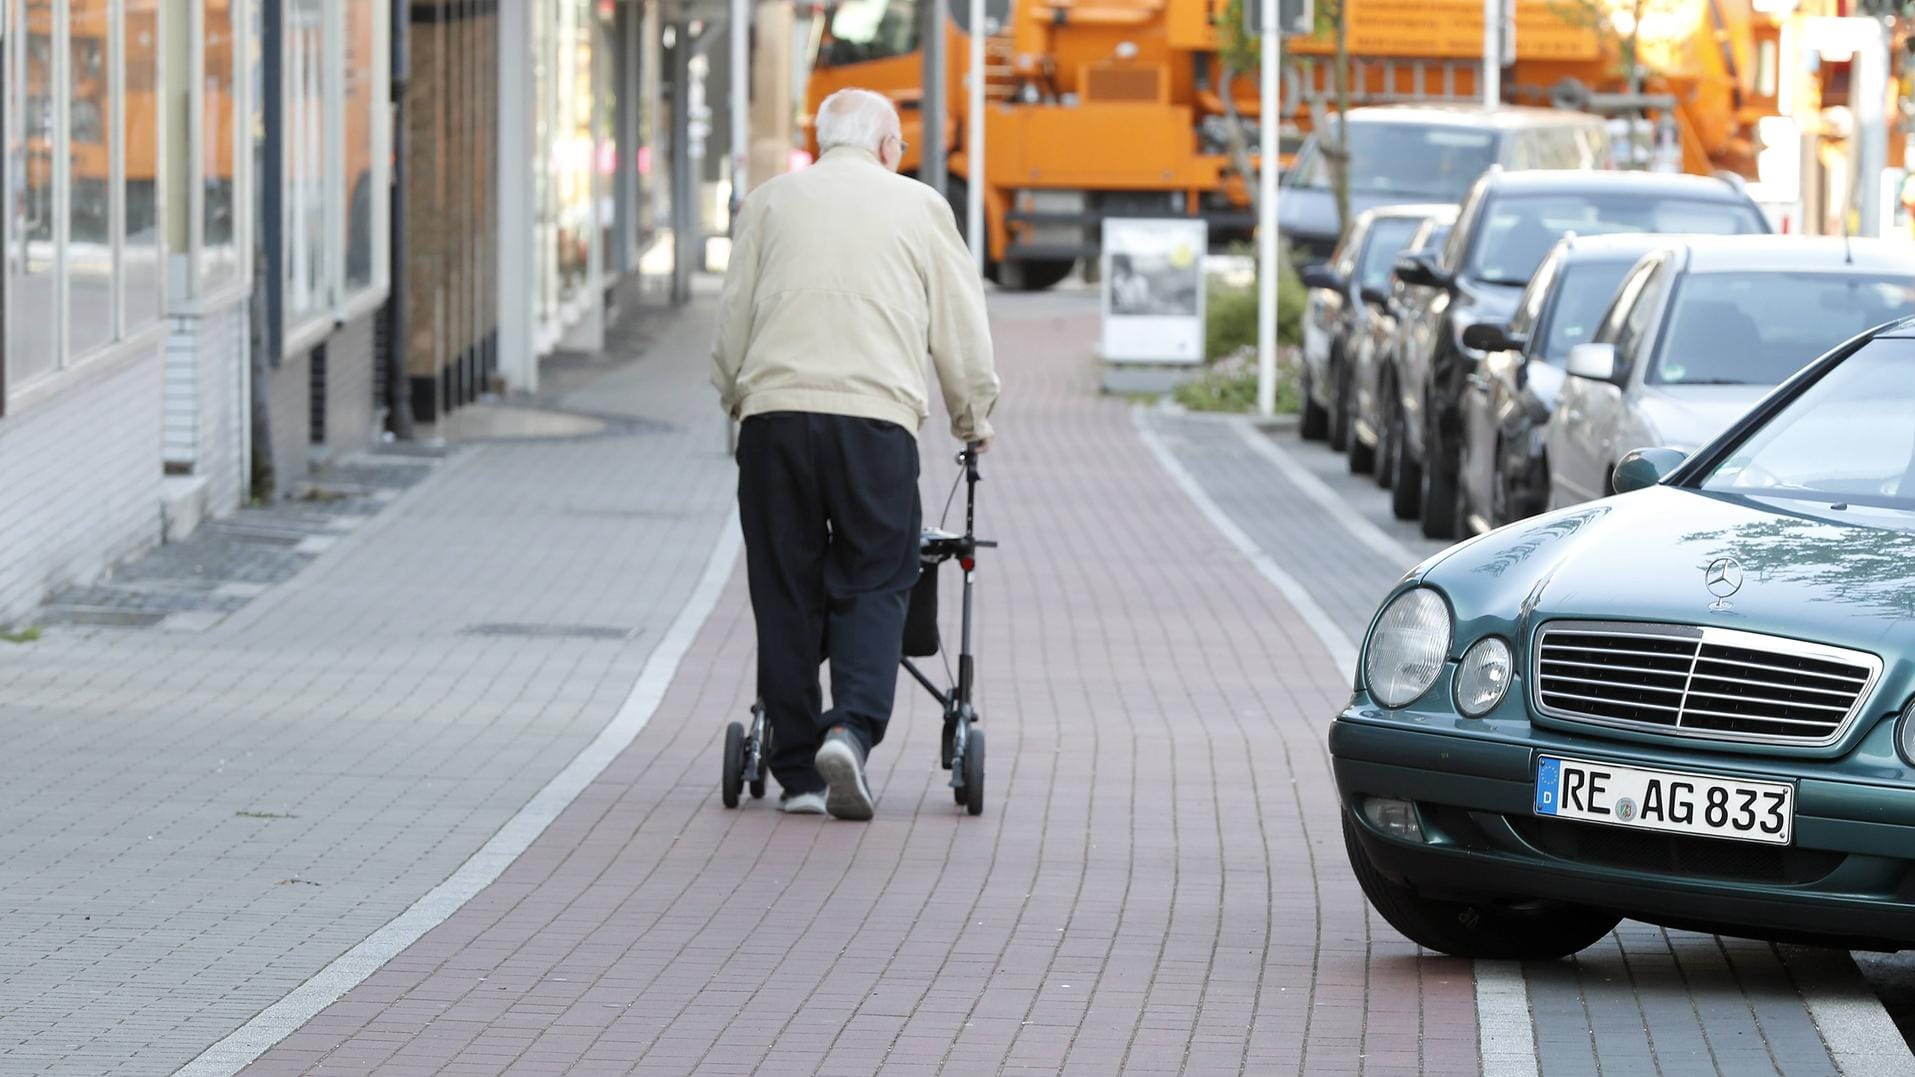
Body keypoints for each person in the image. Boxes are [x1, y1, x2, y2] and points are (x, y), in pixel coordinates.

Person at [711, 88, 1000, 821]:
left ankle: (798, 774)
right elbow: (959, 327)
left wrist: (737, 405)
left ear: (822, 140)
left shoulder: (769, 204)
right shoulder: (920, 206)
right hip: (873, 421)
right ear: (884, 147)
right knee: (877, 574)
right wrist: (973, 416)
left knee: (783, 587)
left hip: (775, 418)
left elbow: (730, 330)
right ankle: (850, 728)